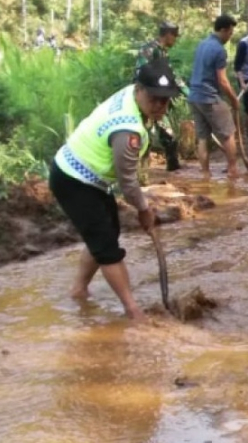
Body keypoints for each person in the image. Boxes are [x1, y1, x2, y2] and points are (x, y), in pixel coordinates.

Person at [48, 59, 182, 321]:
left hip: (90, 177)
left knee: (107, 232)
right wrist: (144, 210)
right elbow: (128, 182)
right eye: (154, 98)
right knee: (107, 247)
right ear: (139, 90)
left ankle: (78, 290)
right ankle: (134, 312)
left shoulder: (131, 96)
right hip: (73, 180)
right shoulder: (127, 129)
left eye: (165, 100)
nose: (160, 106)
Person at [188, 14, 241, 179]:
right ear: (223, 30)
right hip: (209, 97)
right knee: (228, 133)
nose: (230, 37)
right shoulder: (219, 50)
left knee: (203, 138)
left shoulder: (202, 44)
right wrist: (234, 100)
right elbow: (223, 81)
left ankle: (205, 173)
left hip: (194, 97)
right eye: (230, 33)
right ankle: (232, 170)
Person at [134, 21, 185, 171]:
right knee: (144, 137)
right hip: (146, 101)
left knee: (169, 136)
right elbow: (141, 74)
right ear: (167, 34)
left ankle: (173, 169)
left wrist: (184, 90)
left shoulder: (163, 52)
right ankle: (140, 173)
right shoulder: (148, 50)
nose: (175, 39)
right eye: (174, 35)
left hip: (159, 99)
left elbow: (170, 75)